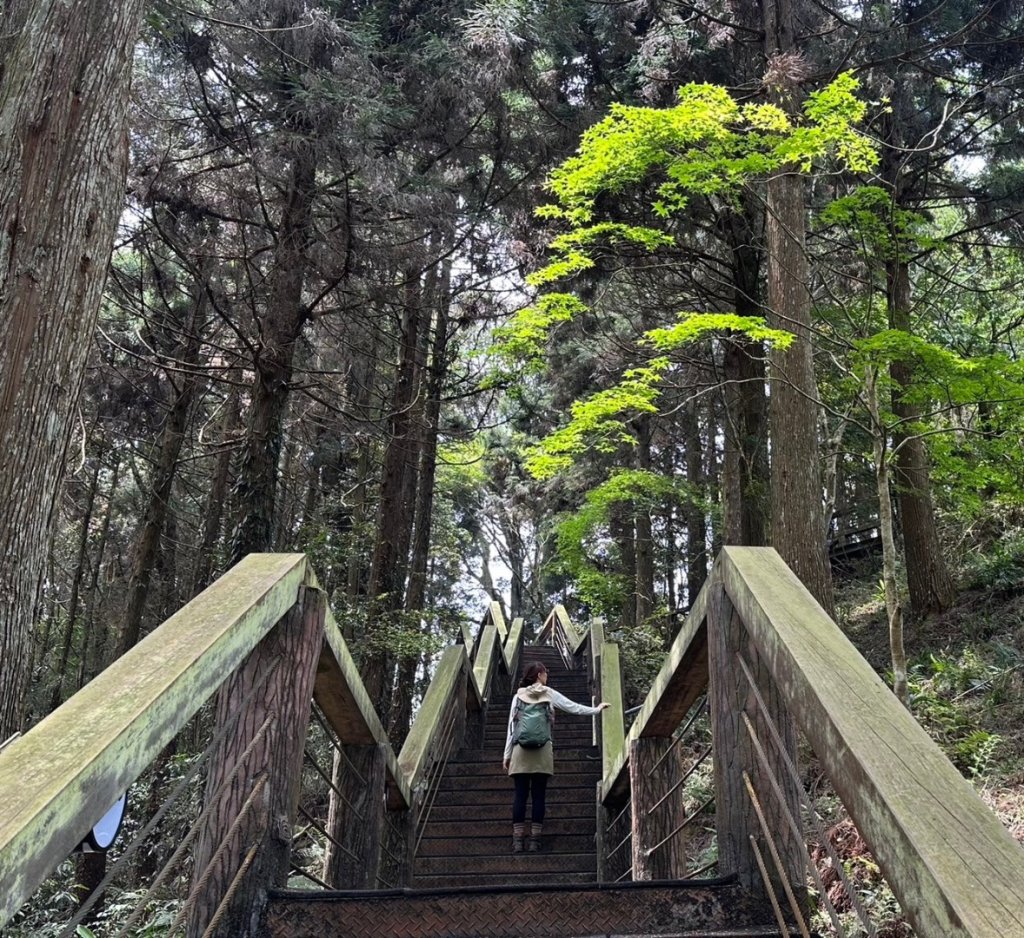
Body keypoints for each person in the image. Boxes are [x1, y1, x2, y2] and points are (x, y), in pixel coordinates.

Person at [502, 660, 610, 854]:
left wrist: (507, 755)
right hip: (543, 750)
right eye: (545, 672)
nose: (547, 676)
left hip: (520, 750)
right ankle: (535, 841)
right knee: (538, 796)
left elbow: (511, 727)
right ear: (538, 675)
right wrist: (596, 709)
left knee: (520, 795)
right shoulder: (549, 694)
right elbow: (573, 707)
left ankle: (517, 841)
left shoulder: (518, 697)